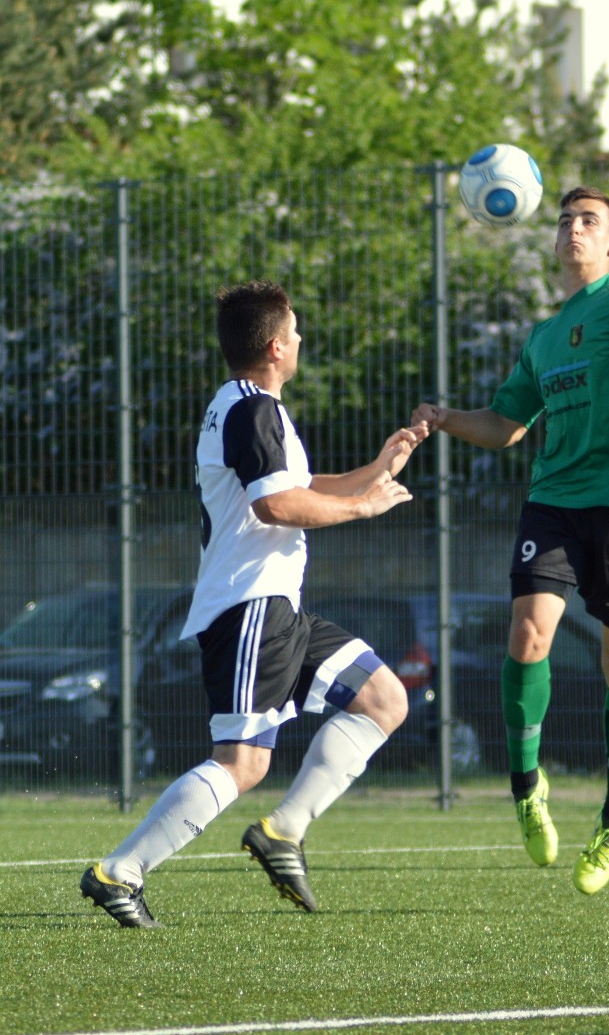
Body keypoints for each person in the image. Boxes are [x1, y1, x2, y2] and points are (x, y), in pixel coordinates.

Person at [81, 278, 426, 927]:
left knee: (385, 697)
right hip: (250, 610)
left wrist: (378, 469)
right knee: (241, 762)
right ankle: (118, 872)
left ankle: (283, 830)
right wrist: (363, 505)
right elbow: (276, 505)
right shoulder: (251, 410)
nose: (300, 341)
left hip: (278, 610)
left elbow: (297, 485)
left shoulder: (249, 406)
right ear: (274, 346)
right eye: (295, 332)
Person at [411, 187, 609, 895]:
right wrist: (444, 418)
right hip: (553, 499)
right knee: (527, 635)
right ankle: (527, 786)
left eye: (588, 221)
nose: (572, 230)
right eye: (563, 221)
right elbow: (507, 423)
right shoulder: (545, 336)